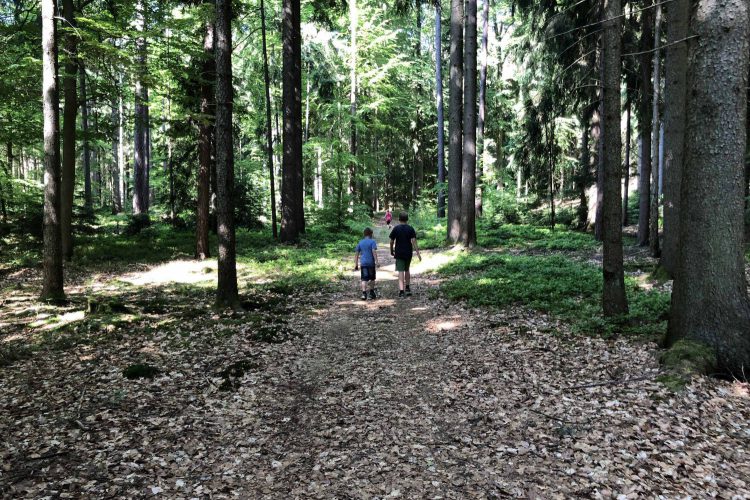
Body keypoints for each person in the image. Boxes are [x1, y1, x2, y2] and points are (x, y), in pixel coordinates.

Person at [389, 211, 421, 298]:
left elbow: (391, 241)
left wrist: (391, 251)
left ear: (399, 219)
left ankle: (401, 291)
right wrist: (418, 253)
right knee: (407, 270)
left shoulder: (396, 229)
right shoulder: (410, 228)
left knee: (400, 271)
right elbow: (414, 241)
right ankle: (407, 288)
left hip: (399, 252)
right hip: (408, 252)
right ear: (407, 219)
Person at [354, 227, 379, 300]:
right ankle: (371, 292)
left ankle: (364, 294)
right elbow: (374, 252)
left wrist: (356, 264)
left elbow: (356, 254)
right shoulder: (372, 242)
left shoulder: (360, 242)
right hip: (371, 263)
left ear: (364, 234)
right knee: (372, 278)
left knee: (364, 279)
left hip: (363, 263)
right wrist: (377, 262)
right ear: (371, 234)